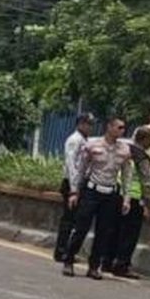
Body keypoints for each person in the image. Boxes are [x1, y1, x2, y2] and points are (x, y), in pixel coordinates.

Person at [61, 116, 133, 280]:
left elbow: (127, 174)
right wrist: (74, 191)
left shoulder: (124, 150)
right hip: (92, 191)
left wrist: (126, 197)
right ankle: (69, 260)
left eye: (123, 128)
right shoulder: (92, 145)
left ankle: (94, 266)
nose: (122, 131)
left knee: (104, 232)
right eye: (119, 127)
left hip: (110, 193)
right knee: (81, 227)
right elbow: (81, 169)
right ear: (109, 127)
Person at [108, 125, 150, 278]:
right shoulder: (142, 157)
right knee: (129, 234)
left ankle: (107, 261)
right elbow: (146, 183)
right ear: (146, 139)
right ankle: (122, 265)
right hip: (134, 199)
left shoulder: (124, 150)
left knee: (114, 230)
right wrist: (149, 205)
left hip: (117, 194)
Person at [54, 112, 95, 262]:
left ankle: (66, 249)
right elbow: (71, 164)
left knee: (75, 219)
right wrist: (73, 188)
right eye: (88, 124)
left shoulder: (85, 140)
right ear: (80, 124)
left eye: (91, 124)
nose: (90, 127)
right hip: (72, 183)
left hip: (80, 183)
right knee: (68, 219)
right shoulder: (74, 140)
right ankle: (61, 251)